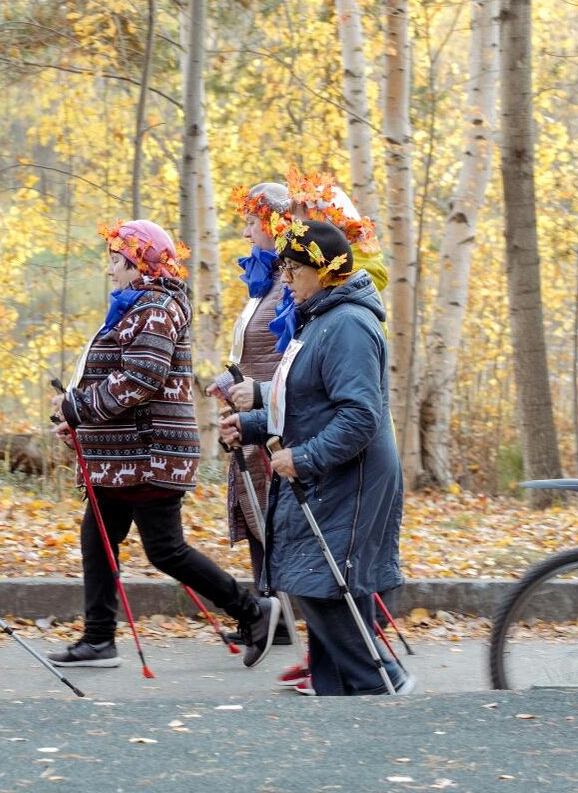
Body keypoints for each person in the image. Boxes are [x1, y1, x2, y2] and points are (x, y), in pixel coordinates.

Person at [47, 219, 280, 670]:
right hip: (121, 457)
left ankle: (254, 611)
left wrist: (78, 406)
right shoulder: (137, 304)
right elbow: (115, 376)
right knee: (98, 537)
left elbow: (141, 378)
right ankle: (98, 639)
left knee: (165, 549)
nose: (110, 270)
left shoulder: (156, 306)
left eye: (116, 261)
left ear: (140, 265)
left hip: (149, 454)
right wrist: (78, 418)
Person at [219, 219, 411, 695]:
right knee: (325, 583)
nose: (284, 278)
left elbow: (360, 416)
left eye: (294, 269)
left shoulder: (347, 325)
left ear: (325, 271)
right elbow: (303, 399)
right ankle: (336, 694)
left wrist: (303, 457)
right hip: (329, 474)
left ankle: (380, 683)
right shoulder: (319, 318)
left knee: (321, 581)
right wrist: (250, 424)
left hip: (352, 476)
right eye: (283, 268)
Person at [204, 182, 292, 646]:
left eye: (252, 223)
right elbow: (252, 349)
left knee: (274, 514)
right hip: (249, 409)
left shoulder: (291, 283)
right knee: (255, 509)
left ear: (275, 224)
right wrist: (227, 379)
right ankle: (267, 609)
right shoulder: (264, 281)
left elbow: (287, 356)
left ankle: (282, 611)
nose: (245, 232)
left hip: (273, 417)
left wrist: (256, 395)